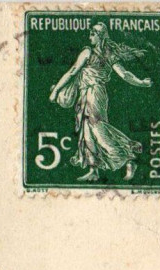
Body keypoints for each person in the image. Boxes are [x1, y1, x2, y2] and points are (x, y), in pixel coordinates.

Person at [49, 23, 152, 182]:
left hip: (93, 93)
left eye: (92, 33)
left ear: (100, 35)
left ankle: (127, 157)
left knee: (96, 128)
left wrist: (56, 91)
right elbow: (124, 75)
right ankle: (93, 169)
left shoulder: (88, 52)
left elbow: (72, 72)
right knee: (87, 130)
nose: (90, 36)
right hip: (90, 93)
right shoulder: (109, 54)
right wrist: (142, 82)